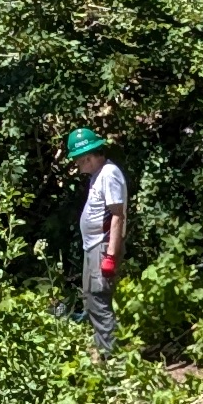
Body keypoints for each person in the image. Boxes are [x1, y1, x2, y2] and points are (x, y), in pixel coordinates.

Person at [68, 127, 129, 357]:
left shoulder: (109, 173)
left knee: (99, 301)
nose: (77, 165)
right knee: (90, 299)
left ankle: (111, 360)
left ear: (88, 157)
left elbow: (117, 215)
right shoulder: (99, 175)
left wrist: (111, 256)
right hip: (93, 246)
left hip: (102, 248)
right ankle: (104, 353)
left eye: (77, 160)